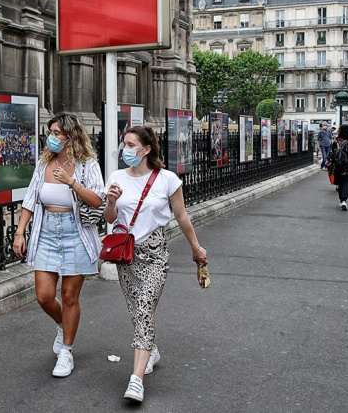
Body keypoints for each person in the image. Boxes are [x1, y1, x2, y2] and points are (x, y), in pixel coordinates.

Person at [104, 126, 207, 403]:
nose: (125, 149)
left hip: (155, 254)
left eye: (130, 144)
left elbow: (182, 217)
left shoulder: (167, 180)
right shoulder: (116, 177)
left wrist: (196, 248)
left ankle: (136, 379)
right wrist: (111, 201)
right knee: (137, 310)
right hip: (125, 256)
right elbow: (110, 218)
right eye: (124, 144)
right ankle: (151, 350)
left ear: (146, 149)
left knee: (145, 307)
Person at [13, 113, 104, 379]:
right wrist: (20, 233)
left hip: (76, 232)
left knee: (69, 297)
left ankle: (66, 350)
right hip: (46, 233)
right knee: (43, 295)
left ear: (70, 136)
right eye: (50, 132)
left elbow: (98, 200)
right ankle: (62, 325)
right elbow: (30, 199)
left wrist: (71, 182)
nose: (51, 137)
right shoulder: (44, 164)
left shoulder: (88, 165)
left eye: (56, 133)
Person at [327, 124, 348, 211]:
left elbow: (331, 153)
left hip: (337, 166)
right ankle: (344, 200)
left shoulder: (336, 142)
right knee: (346, 182)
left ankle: (341, 200)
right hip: (347, 166)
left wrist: (329, 163)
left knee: (339, 182)